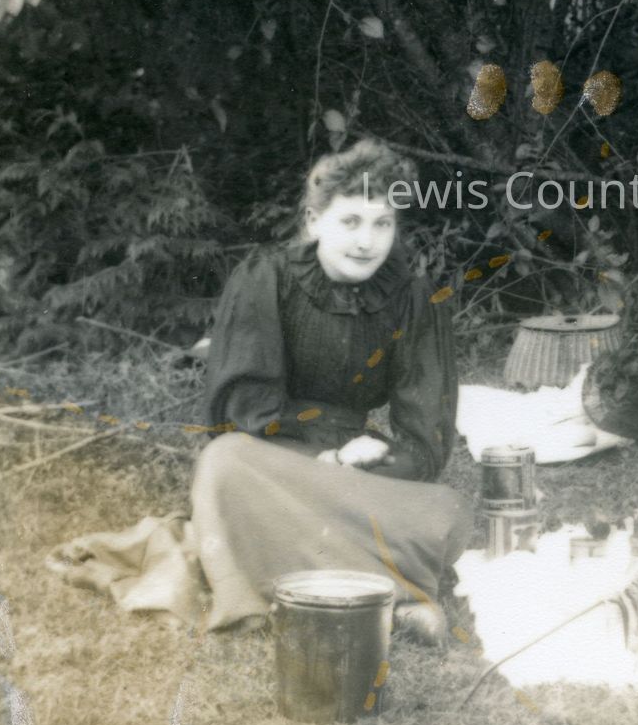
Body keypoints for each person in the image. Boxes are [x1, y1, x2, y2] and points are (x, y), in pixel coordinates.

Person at [190, 140, 467, 638]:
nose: (366, 241)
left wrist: (373, 459)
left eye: (382, 224)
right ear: (314, 221)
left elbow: (426, 439)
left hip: (352, 470)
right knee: (223, 461)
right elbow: (243, 410)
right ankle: (390, 598)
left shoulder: (411, 296)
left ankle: (312, 583)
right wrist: (329, 452)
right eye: (351, 221)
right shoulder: (266, 278)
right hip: (273, 460)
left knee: (447, 511)